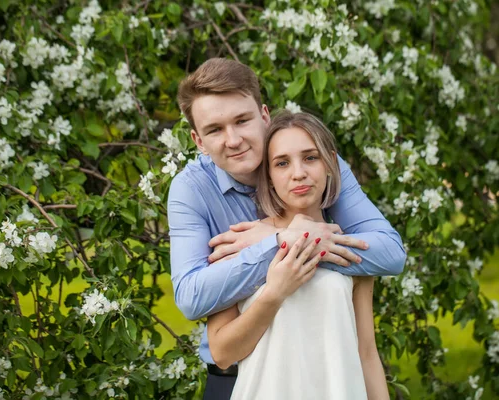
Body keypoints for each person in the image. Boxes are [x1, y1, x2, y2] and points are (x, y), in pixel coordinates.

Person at [168, 58, 406, 399]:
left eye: (242, 120)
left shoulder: (314, 165)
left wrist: (287, 240)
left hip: (331, 376)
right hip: (240, 377)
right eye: (215, 129)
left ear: (264, 116)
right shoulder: (191, 190)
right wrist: (281, 241)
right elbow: (192, 298)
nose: (233, 139)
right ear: (198, 140)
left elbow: (389, 254)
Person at [206, 111, 389, 400]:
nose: (298, 173)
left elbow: (366, 352)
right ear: (268, 175)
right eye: (282, 163)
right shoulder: (241, 244)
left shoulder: (346, 247)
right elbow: (222, 354)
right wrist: (275, 293)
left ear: (330, 163)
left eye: (310, 158)